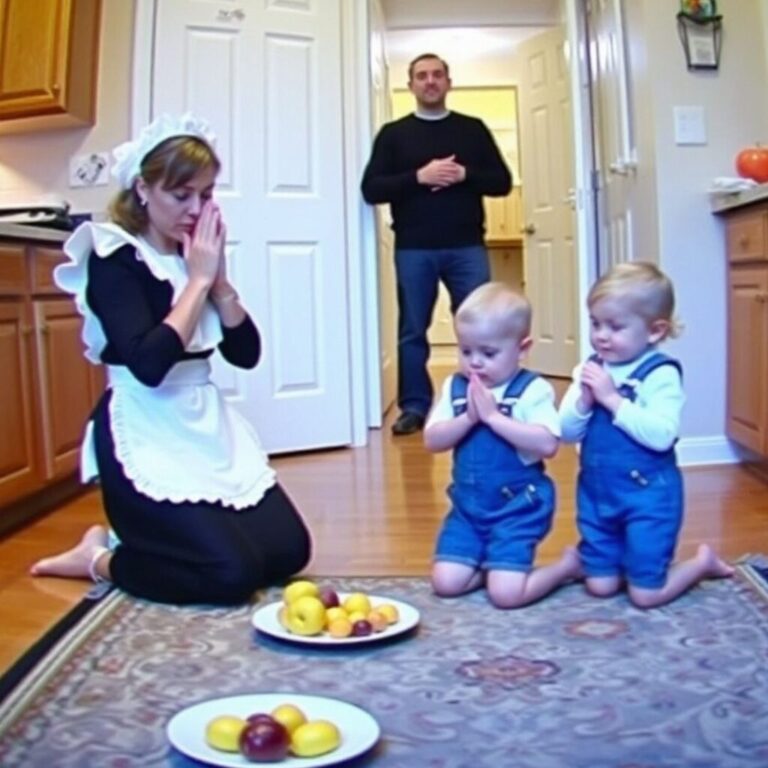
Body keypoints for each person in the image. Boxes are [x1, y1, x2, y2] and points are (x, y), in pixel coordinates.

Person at [30, 114, 312, 605]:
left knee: (288, 552)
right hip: (144, 426)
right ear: (143, 188)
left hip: (205, 426)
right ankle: (98, 558)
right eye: (181, 195)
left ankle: (175, 541)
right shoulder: (112, 254)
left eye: (205, 194)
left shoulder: (194, 254)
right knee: (228, 575)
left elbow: (245, 354)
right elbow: (149, 365)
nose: (196, 208)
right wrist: (198, 282)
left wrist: (219, 285)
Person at [558, 262, 733, 609]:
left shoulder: (660, 374)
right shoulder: (589, 369)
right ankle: (626, 562)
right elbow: (566, 433)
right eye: (595, 323)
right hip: (597, 494)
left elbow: (662, 435)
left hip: (648, 498)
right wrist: (584, 400)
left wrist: (612, 399)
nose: (601, 335)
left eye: (615, 326)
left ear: (655, 331)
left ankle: (701, 562)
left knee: (645, 595)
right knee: (600, 586)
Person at [361, 53, 512, 436]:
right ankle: (414, 407)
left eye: (437, 75)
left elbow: (501, 182)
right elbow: (371, 189)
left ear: (448, 82)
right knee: (413, 329)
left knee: (483, 327)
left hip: (467, 246)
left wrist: (464, 174)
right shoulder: (393, 135)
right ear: (410, 85)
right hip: (414, 248)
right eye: (421, 76)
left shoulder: (472, 129)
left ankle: (487, 399)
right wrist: (419, 176)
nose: (430, 81)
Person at [425, 283, 581, 608]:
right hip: (468, 509)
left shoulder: (531, 390)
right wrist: (467, 417)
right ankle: (491, 565)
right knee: (445, 584)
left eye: (488, 353)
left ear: (522, 349)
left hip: (518, 508)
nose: (475, 363)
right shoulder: (456, 387)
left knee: (506, 596)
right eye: (465, 351)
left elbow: (548, 443)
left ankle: (566, 567)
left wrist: (494, 418)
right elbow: (432, 440)